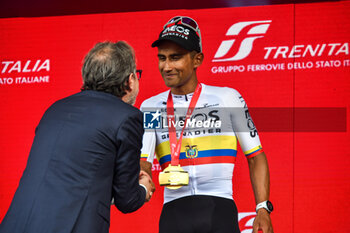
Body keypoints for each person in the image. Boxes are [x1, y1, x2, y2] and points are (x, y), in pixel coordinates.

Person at [0, 41, 154, 233]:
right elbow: (127, 200)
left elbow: (76, 178)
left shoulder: (55, 109)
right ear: (130, 80)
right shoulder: (127, 116)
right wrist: (142, 187)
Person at [139, 16, 274, 233]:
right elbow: (143, 161)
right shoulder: (151, 106)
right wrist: (141, 177)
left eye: (175, 58)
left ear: (197, 60)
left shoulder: (228, 98)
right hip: (174, 214)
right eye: (161, 58)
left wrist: (262, 208)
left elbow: (255, 156)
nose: (166, 66)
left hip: (219, 208)